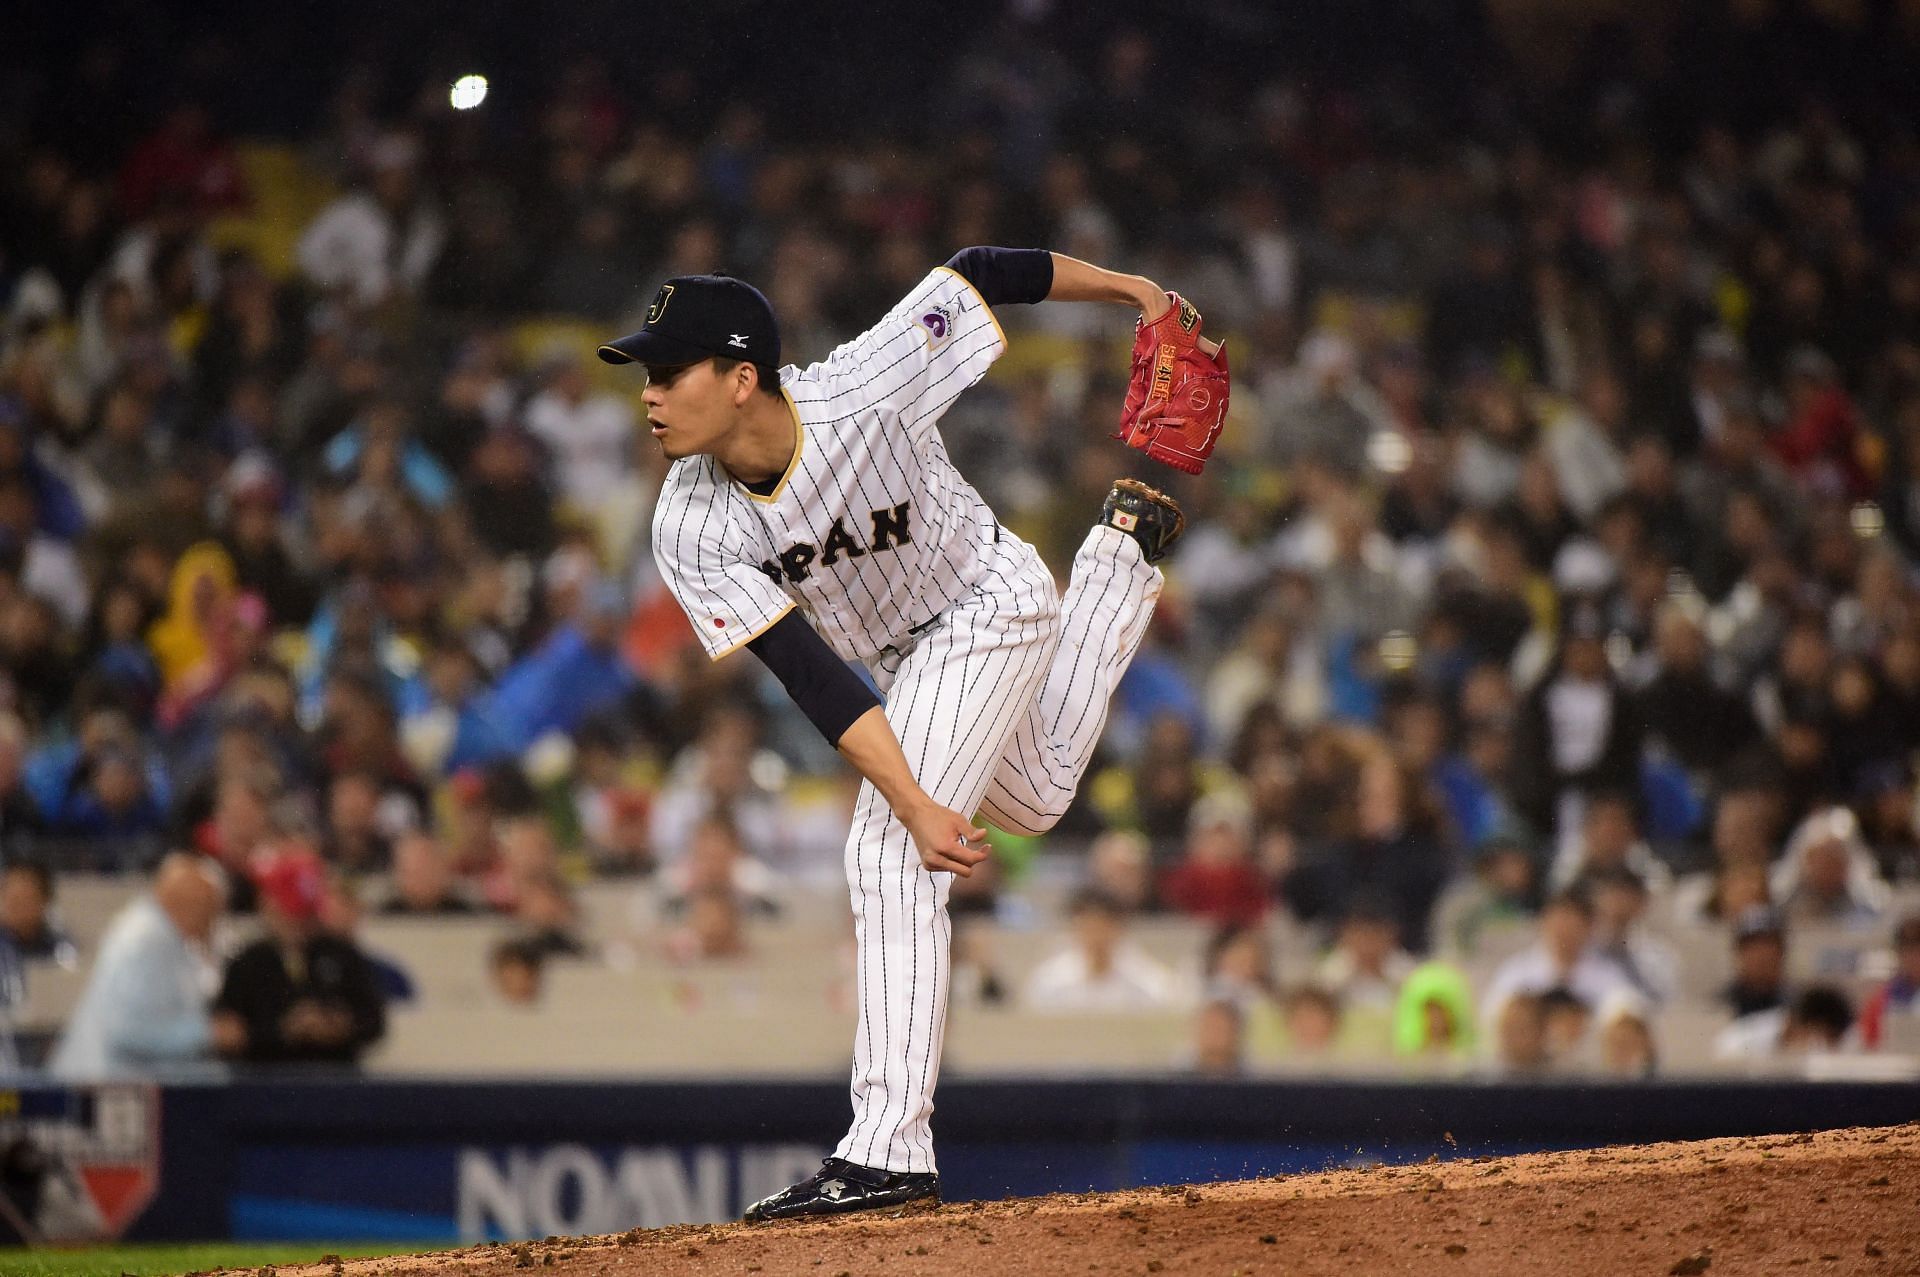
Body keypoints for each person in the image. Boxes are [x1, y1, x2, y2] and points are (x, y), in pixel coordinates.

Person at [598, 249, 1219, 1221]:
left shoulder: (864, 385)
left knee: (887, 852)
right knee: (1040, 793)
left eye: (669, 372)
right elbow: (811, 676)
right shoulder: (689, 524)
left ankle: (887, 1149)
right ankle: (1119, 558)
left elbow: (981, 271)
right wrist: (919, 794)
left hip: (987, 603)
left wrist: (1140, 293)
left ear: (741, 376)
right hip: (898, 666)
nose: (651, 395)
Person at [49, 853, 226, 1080]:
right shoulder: (145, 939)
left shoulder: (168, 937)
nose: (212, 921)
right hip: (103, 1089)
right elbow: (126, 1029)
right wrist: (206, 1033)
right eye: (210, 908)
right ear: (190, 902)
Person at [210, 843, 387, 1066]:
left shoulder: (343, 955)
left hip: (336, 1082)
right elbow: (227, 1031)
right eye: (280, 905)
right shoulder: (247, 962)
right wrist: (280, 1031)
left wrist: (338, 1025)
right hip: (262, 1085)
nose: (293, 920)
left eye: (301, 913)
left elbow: (374, 1022)